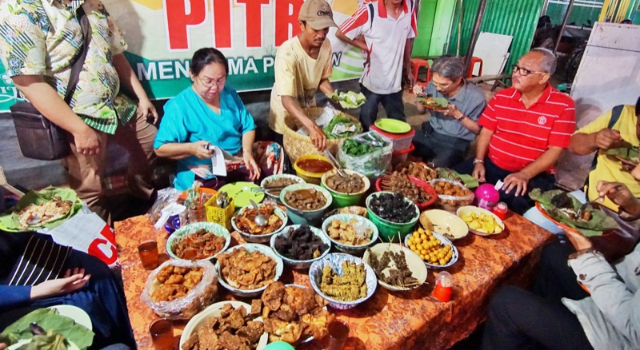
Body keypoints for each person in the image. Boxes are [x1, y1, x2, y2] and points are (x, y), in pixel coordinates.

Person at [0, 0, 159, 223]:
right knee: (91, 188)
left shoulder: (93, 4)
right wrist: (79, 129)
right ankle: (102, 245)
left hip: (115, 105)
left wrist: (142, 97)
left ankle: (140, 205)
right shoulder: (20, 9)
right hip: (76, 116)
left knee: (151, 141)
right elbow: (27, 81)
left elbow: (115, 54)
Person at [481, 181, 640, 350]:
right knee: (554, 253)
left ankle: (527, 322)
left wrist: (588, 255)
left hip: (615, 338)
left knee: (506, 303)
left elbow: (632, 328)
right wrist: (634, 206)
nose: (636, 173)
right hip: (625, 289)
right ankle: (538, 334)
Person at [454, 48, 576, 214]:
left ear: (543, 77)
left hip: (532, 174)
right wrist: (479, 161)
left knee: (507, 205)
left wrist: (524, 174)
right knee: (453, 181)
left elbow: (556, 149)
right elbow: (486, 132)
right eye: (516, 67)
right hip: (493, 164)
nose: (516, 74)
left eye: (525, 70)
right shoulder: (501, 97)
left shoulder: (563, 106)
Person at [154, 48, 283, 191]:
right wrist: (192, 148)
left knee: (273, 150)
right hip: (205, 168)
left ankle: (256, 186)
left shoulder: (229, 94)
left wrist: (246, 152)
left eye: (220, 80)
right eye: (207, 81)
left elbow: (248, 126)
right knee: (211, 199)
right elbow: (160, 148)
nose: (215, 87)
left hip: (235, 159)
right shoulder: (179, 106)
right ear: (192, 74)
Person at [0, 231, 135, 349]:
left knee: (97, 272)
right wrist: (37, 290)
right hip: (10, 288)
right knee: (82, 301)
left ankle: (135, 337)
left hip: (22, 246)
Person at [335, 0, 417, 130]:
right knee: (367, 126)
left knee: (400, 126)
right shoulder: (370, 11)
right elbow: (341, 32)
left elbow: (407, 38)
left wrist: (408, 69)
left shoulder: (410, 7)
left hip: (395, 85)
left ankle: (396, 149)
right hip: (371, 84)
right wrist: (365, 47)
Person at [269, 0, 337, 151]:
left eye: (325, 28)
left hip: (307, 113)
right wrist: (312, 127)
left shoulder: (326, 46)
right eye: (316, 29)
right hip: (285, 117)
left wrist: (337, 98)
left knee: (307, 154)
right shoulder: (287, 53)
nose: (321, 35)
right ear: (301, 25)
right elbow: (286, 98)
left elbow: (322, 78)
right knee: (285, 160)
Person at [567, 96, 640, 210]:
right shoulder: (621, 114)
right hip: (589, 201)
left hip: (631, 218)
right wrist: (595, 139)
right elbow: (573, 145)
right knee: (534, 218)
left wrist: (631, 205)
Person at [411, 56, 486, 167]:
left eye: (444, 85)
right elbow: (421, 111)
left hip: (454, 142)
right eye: (436, 83)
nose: (438, 88)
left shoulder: (476, 97)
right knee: (399, 147)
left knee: (434, 169)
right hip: (430, 133)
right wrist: (420, 97)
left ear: (458, 80)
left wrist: (457, 114)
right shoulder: (433, 84)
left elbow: (478, 130)